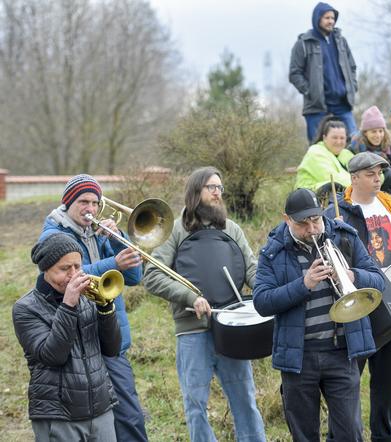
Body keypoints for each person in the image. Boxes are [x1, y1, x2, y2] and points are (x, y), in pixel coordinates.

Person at [142, 167, 266, 442]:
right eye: (211, 187)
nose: (217, 192)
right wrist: (190, 297)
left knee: (245, 401)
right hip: (192, 332)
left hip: (233, 330)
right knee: (195, 405)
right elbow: (151, 275)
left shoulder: (231, 228)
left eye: (220, 188)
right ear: (194, 192)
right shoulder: (175, 230)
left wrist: (269, 292)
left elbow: (252, 270)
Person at [253, 188, 384, 442]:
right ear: (286, 219)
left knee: (350, 434)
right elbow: (262, 302)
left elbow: (379, 281)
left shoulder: (344, 238)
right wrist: (304, 284)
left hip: (342, 352)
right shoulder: (272, 252)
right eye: (303, 224)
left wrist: (352, 276)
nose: (312, 229)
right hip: (298, 357)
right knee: (304, 435)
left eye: (316, 220)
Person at [38, 174, 148, 441]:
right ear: (68, 202)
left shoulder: (99, 231)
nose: (91, 209)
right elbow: (67, 277)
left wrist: (117, 237)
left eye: (95, 203)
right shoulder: (54, 234)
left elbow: (134, 278)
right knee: (89, 423)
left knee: (130, 417)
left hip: (110, 338)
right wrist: (113, 264)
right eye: (84, 202)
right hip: (76, 342)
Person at [324, 151, 391, 442]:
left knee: (387, 383)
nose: (378, 178)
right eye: (370, 174)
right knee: (347, 383)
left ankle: (385, 436)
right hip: (356, 306)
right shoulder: (337, 212)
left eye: (380, 173)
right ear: (354, 178)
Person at [13, 234, 121, 442]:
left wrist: (106, 308)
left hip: (100, 408)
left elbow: (112, 349)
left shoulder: (88, 298)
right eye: (64, 269)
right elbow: (53, 356)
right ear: (46, 269)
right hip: (58, 414)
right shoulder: (25, 309)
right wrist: (68, 305)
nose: (73, 275)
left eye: (77, 267)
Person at [289, 2, 358, 142]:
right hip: (317, 105)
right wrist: (310, 92)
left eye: (333, 18)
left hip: (342, 103)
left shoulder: (341, 41)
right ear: (317, 18)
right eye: (327, 18)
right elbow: (294, 74)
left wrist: (352, 86)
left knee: (354, 143)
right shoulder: (303, 43)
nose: (331, 21)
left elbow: (352, 67)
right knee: (317, 146)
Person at [349, 105, 391, 194]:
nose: (378, 135)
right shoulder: (356, 147)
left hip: (389, 187)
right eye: (373, 131)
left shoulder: (388, 146)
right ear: (365, 133)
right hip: (364, 187)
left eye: (381, 131)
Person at [295, 115, 354, 195]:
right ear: (324, 138)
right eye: (334, 138)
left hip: (336, 200)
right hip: (308, 199)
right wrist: (362, 184)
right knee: (331, 186)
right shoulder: (315, 152)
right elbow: (333, 178)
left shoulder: (346, 154)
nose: (339, 142)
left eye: (342, 138)